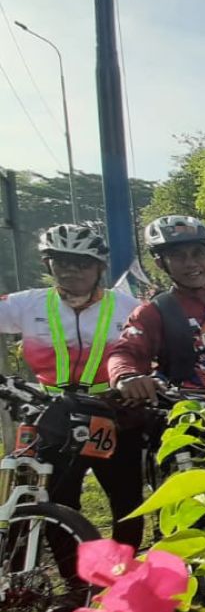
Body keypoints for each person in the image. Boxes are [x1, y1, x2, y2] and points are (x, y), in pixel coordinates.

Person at [0, 224, 141, 545]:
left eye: (83, 263)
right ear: (48, 265)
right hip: (52, 415)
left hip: (112, 411)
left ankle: (123, 579)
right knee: (57, 503)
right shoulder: (28, 304)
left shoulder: (127, 308)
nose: (72, 271)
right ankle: (76, 582)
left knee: (127, 502)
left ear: (100, 268)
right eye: (62, 262)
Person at [109, 215, 205, 400]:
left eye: (198, 253)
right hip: (190, 414)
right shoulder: (154, 311)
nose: (191, 263)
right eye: (177, 256)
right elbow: (124, 352)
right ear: (161, 263)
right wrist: (125, 376)